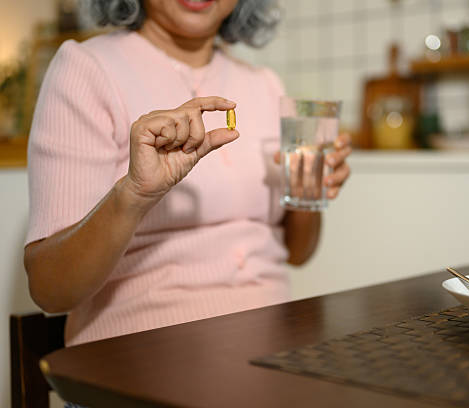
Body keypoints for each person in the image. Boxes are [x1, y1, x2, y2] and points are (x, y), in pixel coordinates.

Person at [24, 0, 351, 347]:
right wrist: (134, 194)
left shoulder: (265, 84)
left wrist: (310, 188)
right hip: (137, 354)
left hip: (273, 342)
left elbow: (298, 253)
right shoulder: (86, 69)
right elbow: (50, 290)